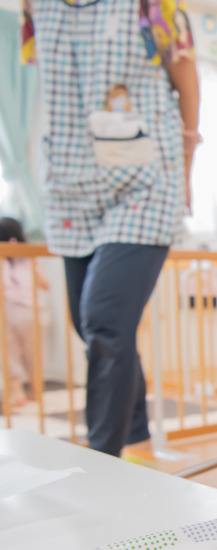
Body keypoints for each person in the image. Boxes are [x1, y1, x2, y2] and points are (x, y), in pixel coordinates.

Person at [21, 0, 200, 463]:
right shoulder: (36, 6)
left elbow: (185, 78)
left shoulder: (152, 6)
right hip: (72, 183)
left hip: (145, 180)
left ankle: (98, 462)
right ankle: (138, 443)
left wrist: (186, 167)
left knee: (104, 320)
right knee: (93, 326)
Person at [0, 217, 49, 407]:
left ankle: (17, 392)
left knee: (9, 351)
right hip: (33, 309)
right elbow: (44, 284)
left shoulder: (4, 258)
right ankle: (36, 390)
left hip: (9, 309)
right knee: (34, 351)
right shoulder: (31, 257)